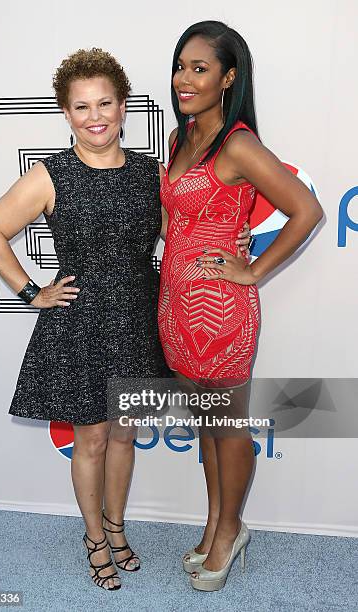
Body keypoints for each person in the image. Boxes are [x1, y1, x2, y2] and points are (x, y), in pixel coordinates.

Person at [0, 45, 254, 591]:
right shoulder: (50, 175)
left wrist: (234, 239)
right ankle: (93, 538)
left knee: (124, 434)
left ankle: (117, 527)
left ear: (124, 107)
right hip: (78, 325)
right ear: (66, 113)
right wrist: (32, 291)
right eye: (81, 107)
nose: (95, 116)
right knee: (92, 439)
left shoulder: (153, 172)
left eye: (105, 103)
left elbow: (185, 229)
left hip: (138, 315)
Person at [158, 21, 323, 592]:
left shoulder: (238, 144)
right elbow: (176, 220)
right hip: (176, 307)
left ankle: (230, 532)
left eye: (199, 68)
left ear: (229, 78)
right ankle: (214, 523)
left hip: (221, 312)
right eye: (180, 65)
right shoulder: (182, 139)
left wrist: (250, 269)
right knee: (206, 428)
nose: (185, 78)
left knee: (226, 428)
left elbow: (306, 210)